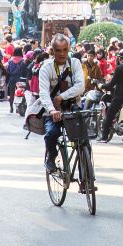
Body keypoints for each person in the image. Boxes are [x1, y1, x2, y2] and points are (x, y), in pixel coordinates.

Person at [28, 35, 86, 174]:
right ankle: (51, 157)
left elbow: (80, 86)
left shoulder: (75, 63)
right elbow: (43, 93)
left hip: (72, 107)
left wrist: (62, 97)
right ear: (52, 51)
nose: (62, 53)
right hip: (53, 110)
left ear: (69, 49)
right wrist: (52, 110)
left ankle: (86, 175)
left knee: (83, 140)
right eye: (58, 50)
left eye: (65, 50)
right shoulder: (46, 67)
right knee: (52, 134)